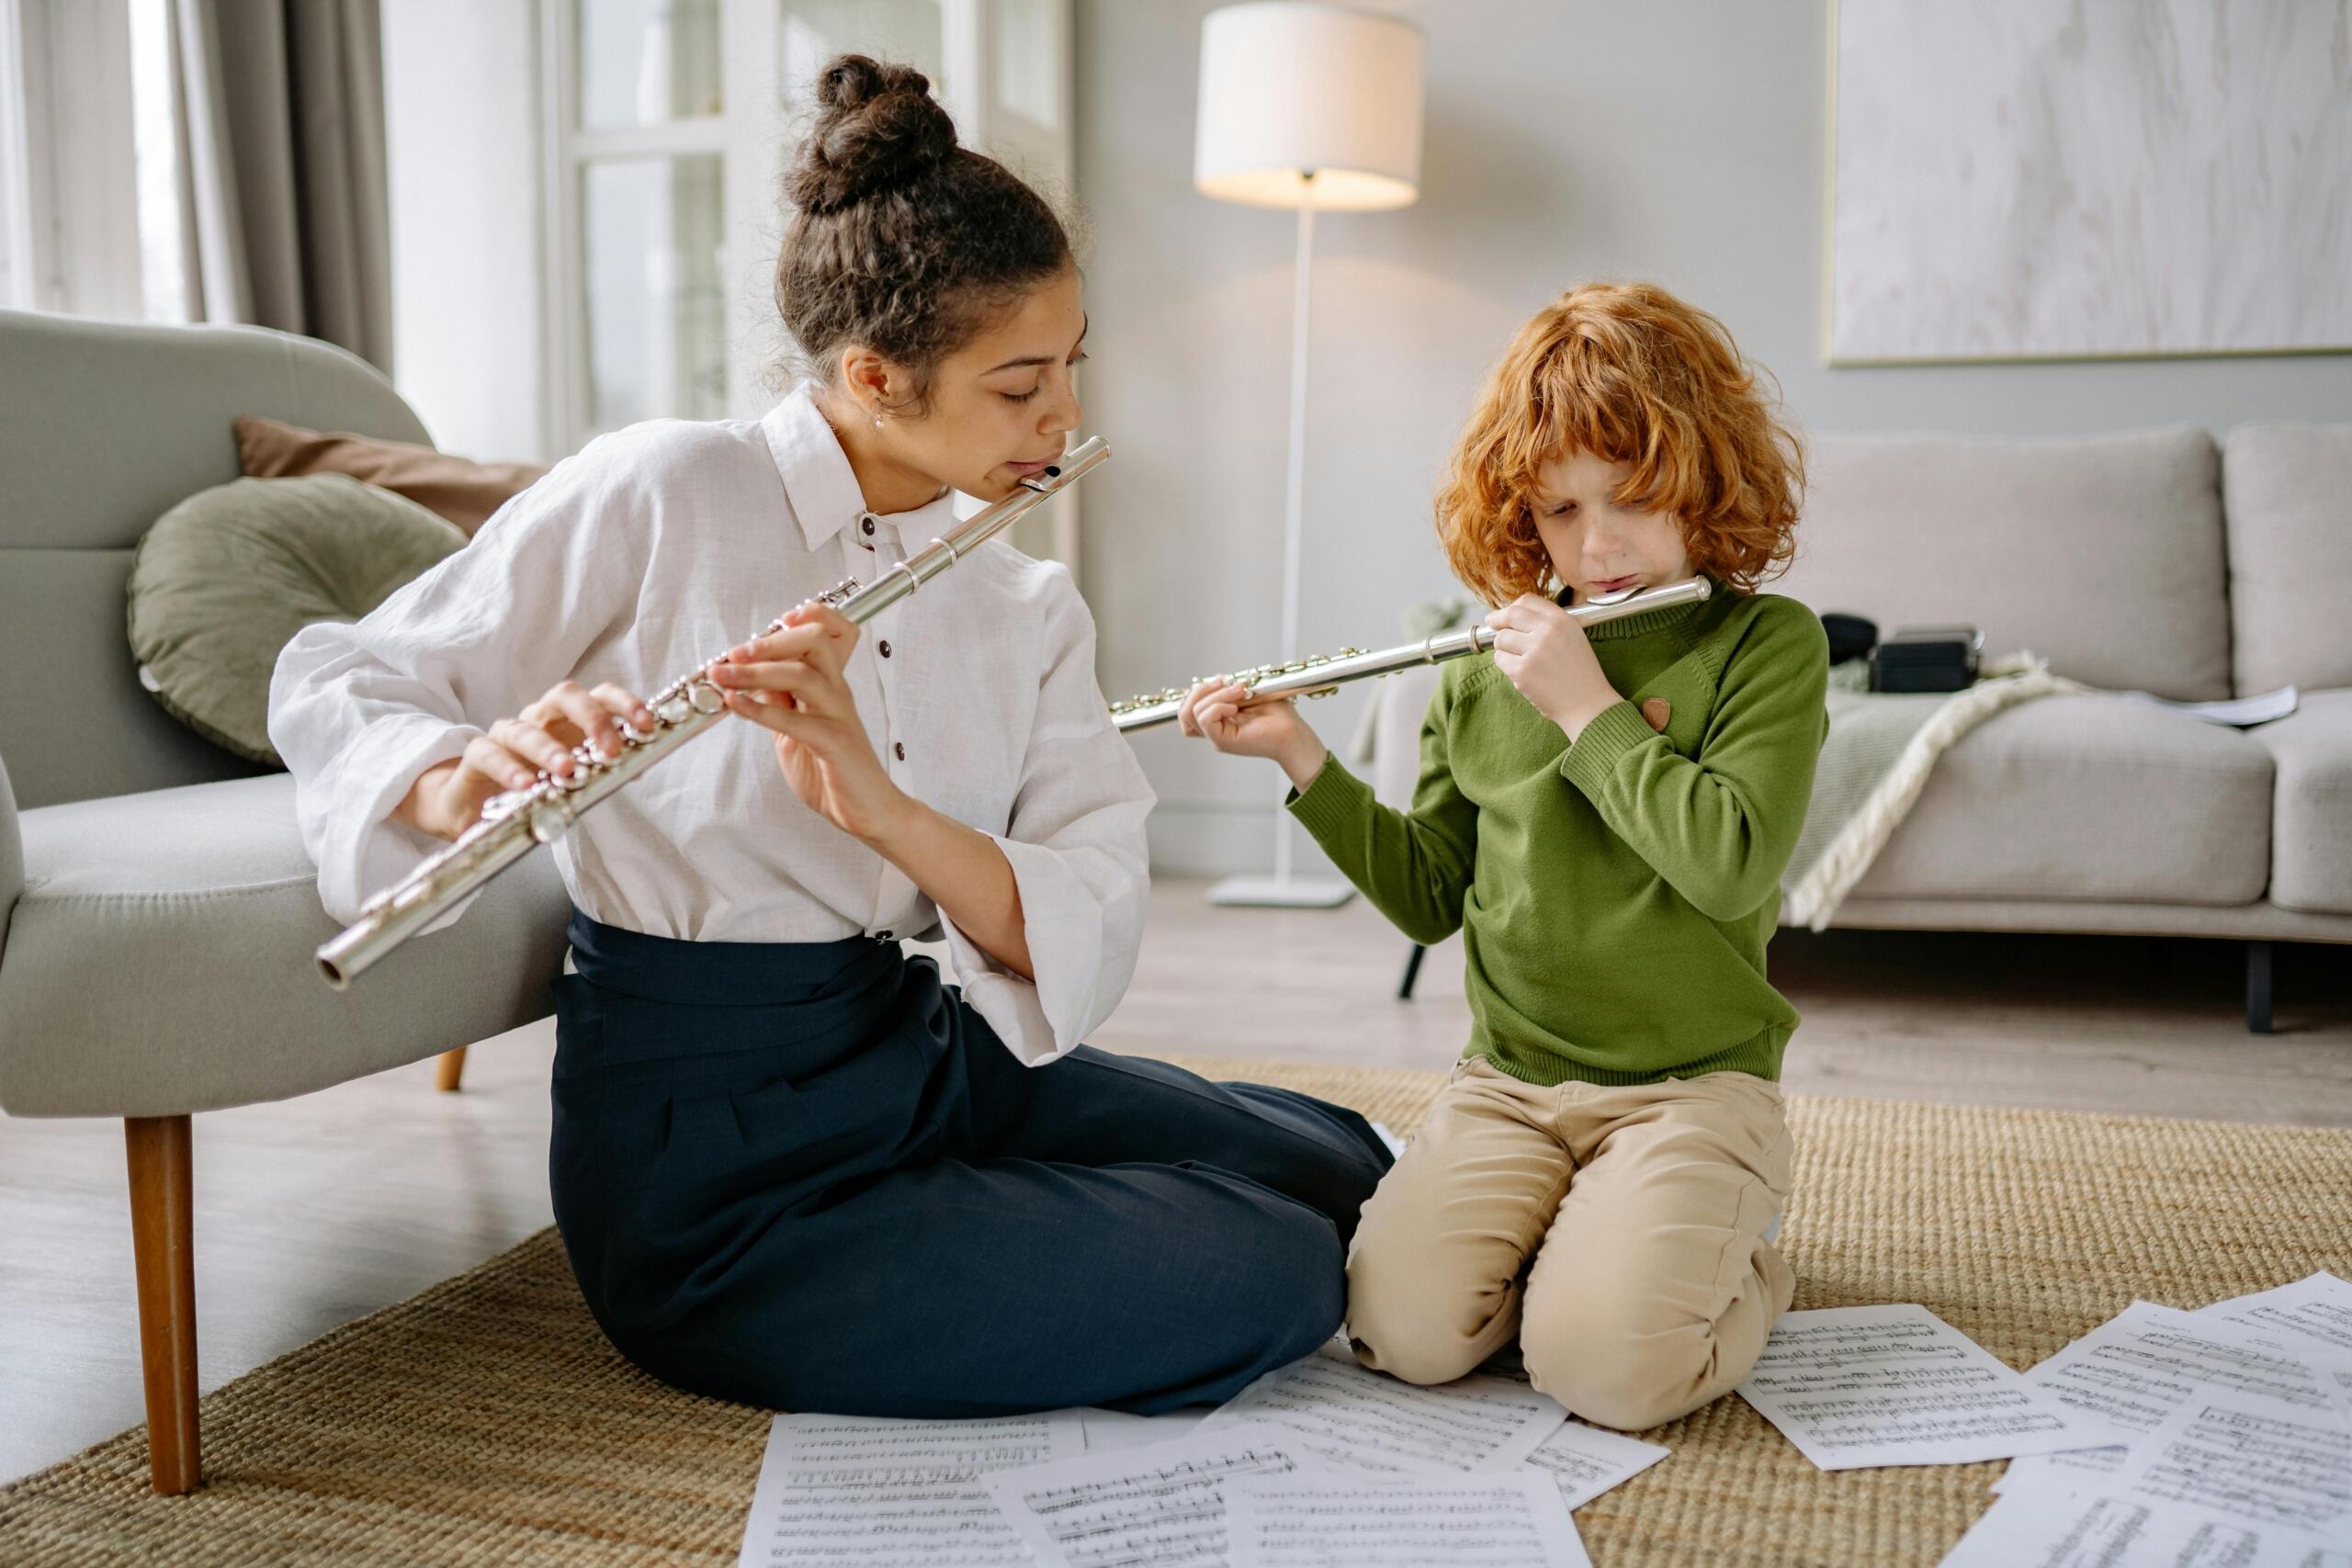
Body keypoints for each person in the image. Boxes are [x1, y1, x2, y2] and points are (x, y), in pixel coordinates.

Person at [270, 54, 1391, 1418]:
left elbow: (1085, 903)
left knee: (1351, 1167)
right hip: (714, 1155)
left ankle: (993, 1213)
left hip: (910, 1054)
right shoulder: (670, 486)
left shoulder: (1016, 590)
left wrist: (888, 810)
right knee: (1276, 1266)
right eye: (1020, 384)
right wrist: (452, 777)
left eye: (1071, 369)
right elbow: (342, 670)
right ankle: (976, 1233)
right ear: (874, 373)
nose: (1065, 418)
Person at [1179, 281, 1827, 1431]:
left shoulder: (1764, 644)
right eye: (1560, 512)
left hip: (1690, 1088)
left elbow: (1727, 865)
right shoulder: (1480, 671)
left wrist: (1590, 711)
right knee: (1401, 1334)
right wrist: (1301, 760)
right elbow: (1432, 897)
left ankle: (1746, 1259)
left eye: (1632, 499)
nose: (1599, 544)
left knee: (1610, 1375)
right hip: (1510, 1085)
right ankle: (1597, 1244)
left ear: (1704, 475)